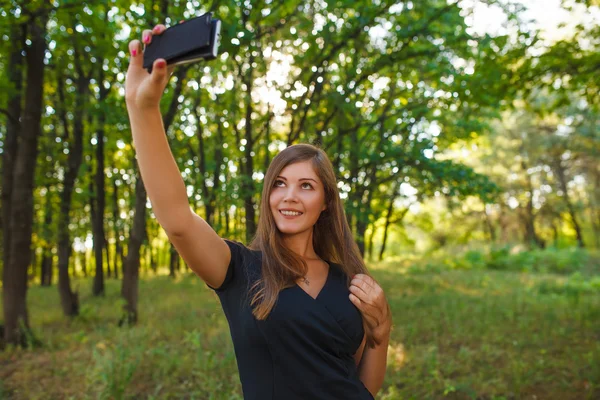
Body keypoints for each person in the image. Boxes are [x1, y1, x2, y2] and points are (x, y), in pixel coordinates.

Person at [126, 23, 392, 400]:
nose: (289, 196)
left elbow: (361, 387)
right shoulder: (240, 270)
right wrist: (144, 109)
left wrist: (381, 334)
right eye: (279, 184)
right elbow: (178, 220)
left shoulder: (349, 282)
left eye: (306, 186)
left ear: (326, 202)